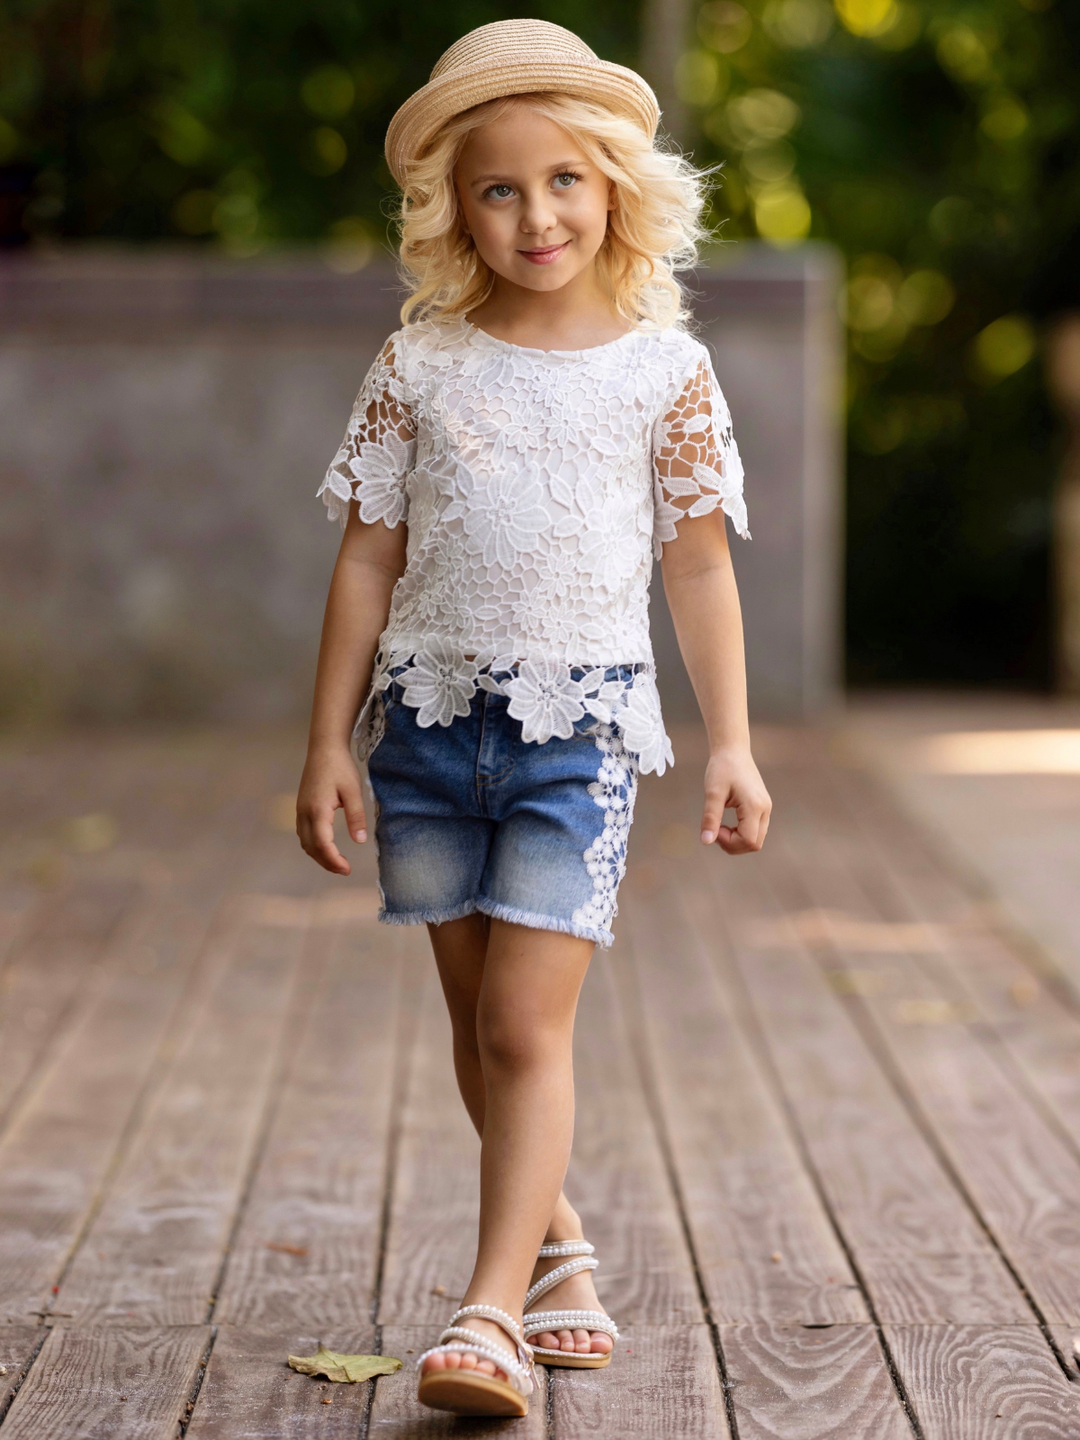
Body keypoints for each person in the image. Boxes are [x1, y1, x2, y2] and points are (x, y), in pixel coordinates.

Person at [296, 17, 772, 1419]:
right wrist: (326, 740)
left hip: (584, 731)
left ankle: (488, 1311)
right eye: (500, 188)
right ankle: (559, 1249)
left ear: (617, 184)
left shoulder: (663, 372)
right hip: (429, 726)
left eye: (565, 179)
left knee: (523, 1026)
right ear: (456, 206)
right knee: (474, 1023)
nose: (537, 213)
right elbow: (367, 555)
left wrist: (734, 738)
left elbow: (698, 563)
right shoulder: (421, 362)